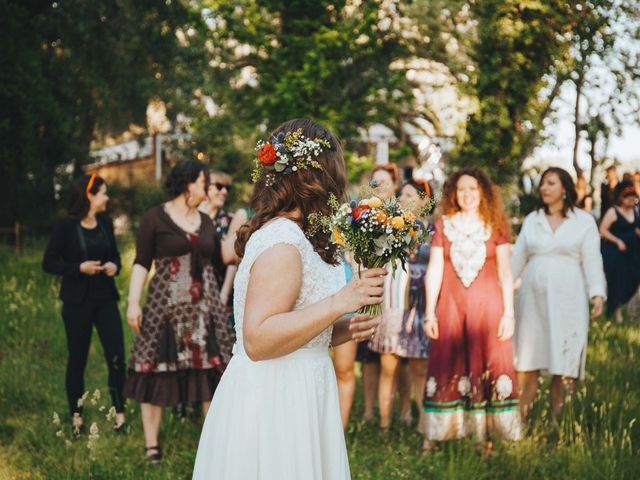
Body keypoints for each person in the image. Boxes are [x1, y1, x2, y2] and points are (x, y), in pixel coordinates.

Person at [192, 118, 386, 479]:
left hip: (305, 386)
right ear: (318, 175)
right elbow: (258, 339)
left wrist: (347, 326)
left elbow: (303, 328)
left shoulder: (302, 236)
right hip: (276, 397)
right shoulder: (282, 243)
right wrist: (340, 301)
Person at [123, 160, 226, 464]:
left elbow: (220, 256)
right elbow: (142, 262)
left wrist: (249, 237)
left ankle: (214, 444)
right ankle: (152, 445)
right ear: (188, 183)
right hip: (163, 307)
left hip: (205, 310)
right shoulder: (155, 218)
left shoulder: (206, 221)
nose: (207, 189)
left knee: (211, 374)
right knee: (154, 370)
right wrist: (132, 302)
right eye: (204, 183)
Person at [420, 168, 521, 454]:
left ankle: (483, 438)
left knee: (488, 364)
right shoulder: (443, 226)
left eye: (473, 189)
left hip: (488, 310)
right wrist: (429, 311)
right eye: (461, 189)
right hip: (450, 308)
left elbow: (505, 273)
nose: (467, 195)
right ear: (453, 193)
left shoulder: (495, 226)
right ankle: (434, 435)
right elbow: (435, 270)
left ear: (483, 193)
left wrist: (509, 313)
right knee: (444, 364)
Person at [512, 167, 606, 422]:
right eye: (543, 183)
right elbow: (517, 258)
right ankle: (519, 420)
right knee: (528, 358)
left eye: (551, 183)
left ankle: (557, 422)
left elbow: (592, 259)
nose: (544, 188)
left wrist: (597, 293)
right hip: (532, 301)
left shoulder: (583, 221)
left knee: (565, 359)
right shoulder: (533, 219)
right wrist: (502, 289)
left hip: (569, 299)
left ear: (565, 188)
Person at [42, 174, 126, 434]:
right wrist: (79, 267)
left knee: (116, 358)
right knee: (77, 359)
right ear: (89, 195)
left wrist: (114, 266)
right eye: (103, 193)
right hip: (77, 303)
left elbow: (115, 257)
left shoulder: (105, 223)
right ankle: (76, 417)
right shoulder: (65, 226)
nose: (107, 198)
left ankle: (119, 414)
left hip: (105, 300)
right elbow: (49, 262)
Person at [369, 179, 432, 431]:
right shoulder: (389, 228)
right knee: (389, 366)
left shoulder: (433, 231)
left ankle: (425, 424)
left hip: (420, 307)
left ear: (423, 200)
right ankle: (384, 427)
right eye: (402, 195)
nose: (404, 199)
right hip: (393, 302)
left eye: (410, 195)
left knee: (419, 369)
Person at [200, 170, 236, 363]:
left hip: (220, 291)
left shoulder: (229, 221)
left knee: (221, 351)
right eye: (219, 187)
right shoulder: (191, 219)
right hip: (193, 292)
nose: (224, 192)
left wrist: (224, 293)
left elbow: (233, 262)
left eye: (227, 188)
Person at [599, 180, 640, 323]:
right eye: (628, 198)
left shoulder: (635, 211)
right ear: (621, 197)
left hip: (632, 253)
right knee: (617, 283)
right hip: (615, 253)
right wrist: (617, 241)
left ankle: (622, 306)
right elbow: (603, 230)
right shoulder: (613, 211)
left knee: (633, 280)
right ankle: (615, 313)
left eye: (634, 198)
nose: (632, 201)